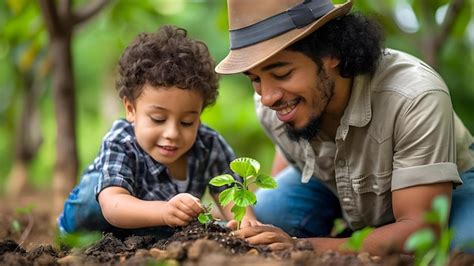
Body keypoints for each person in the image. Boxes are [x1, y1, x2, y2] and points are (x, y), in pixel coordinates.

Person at [215, 0, 474, 254]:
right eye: (256, 79)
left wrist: (303, 245)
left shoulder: (413, 97)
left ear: (331, 54)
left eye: (282, 74)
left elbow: (420, 229)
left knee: (462, 248)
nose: (268, 96)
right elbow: (289, 156)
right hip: (333, 186)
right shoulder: (274, 105)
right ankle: (360, 240)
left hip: (449, 188)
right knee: (271, 214)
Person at [57, 25, 243, 238]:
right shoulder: (121, 140)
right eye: (158, 119)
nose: (172, 133)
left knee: (209, 226)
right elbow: (112, 204)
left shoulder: (208, 144)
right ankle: (72, 233)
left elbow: (235, 203)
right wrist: (164, 211)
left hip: (155, 230)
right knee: (93, 197)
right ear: (130, 109)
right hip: (102, 220)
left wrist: (245, 226)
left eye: (187, 122)